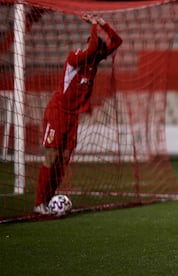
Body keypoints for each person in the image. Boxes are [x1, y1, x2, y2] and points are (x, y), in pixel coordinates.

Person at [34, 14, 122, 215]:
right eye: (91, 49)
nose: (92, 52)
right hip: (57, 111)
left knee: (64, 158)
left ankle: (49, 198)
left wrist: (103, 24)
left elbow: (117, 41)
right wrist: (93, 26)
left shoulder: (93, 61)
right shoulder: (74, 58)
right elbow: (91, 47)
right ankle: (39, 202)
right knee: (51, 155)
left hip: (73, 116)